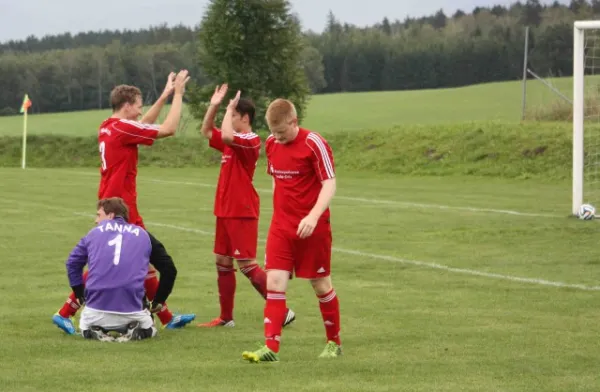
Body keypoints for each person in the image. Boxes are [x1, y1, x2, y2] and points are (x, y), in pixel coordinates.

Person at [52, 71, 195, 334]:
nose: (141, 112)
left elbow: (144, 126)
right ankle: (65, 311)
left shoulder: (109, 125)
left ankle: (166, 317)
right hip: (120, 204)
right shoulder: (122, 128)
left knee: (147, 262)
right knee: (123, 257)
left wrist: (163, 94)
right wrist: (177, 95)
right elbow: (168, 129)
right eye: (138, 106)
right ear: (127, 105)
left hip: (113, 199)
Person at [242, 98, 341, 363]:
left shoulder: (314, 143)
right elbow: (276, 181)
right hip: (282, 227)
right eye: (273, 132)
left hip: (313, 227)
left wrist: (312, 215)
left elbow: (329, 184)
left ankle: (334, 343)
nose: (276, 137)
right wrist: (278, 215)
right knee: (274, 282)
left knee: (320, 285)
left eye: (282, 132)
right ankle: (270, 347)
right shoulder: (272, 144)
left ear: (294, 122)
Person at [197, 84, 295, 328]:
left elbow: (228, 135)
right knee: (222, 261)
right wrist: (215, 105)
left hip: (241, 210)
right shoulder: (233, 141)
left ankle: (282, 311)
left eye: (232, 115)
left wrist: (229, 107)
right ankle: (226, 317)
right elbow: (206, 130)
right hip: (224, 209)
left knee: (247, 265)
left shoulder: (250, 140)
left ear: (244, 117)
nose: (227, 119)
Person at [67, 198, 175, 341]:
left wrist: (79, 293)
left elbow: (72, 262)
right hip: (132, 312)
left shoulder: (93, 233)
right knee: (149, 326)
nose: (95, 220)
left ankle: (93, 330)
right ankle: (138, 329)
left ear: (111, 215)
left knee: (85, 325)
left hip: (94, 312)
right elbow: (169, 269)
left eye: (98, 215)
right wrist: (159, 300)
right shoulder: (143, 235)